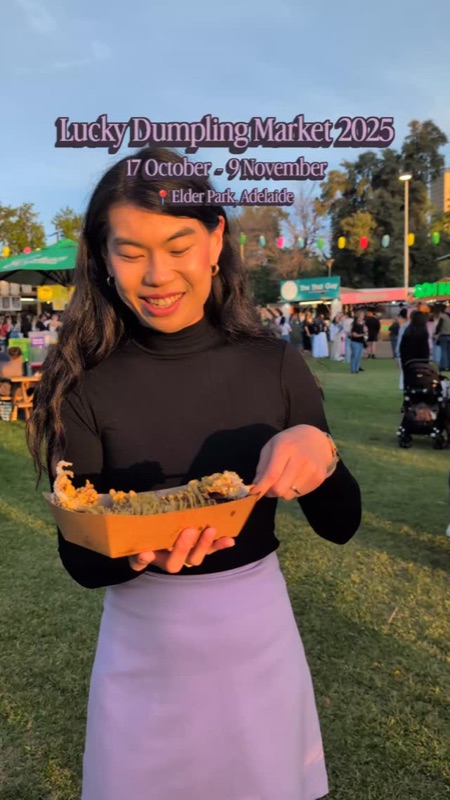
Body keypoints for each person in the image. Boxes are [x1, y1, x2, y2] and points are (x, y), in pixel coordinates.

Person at [26, 147, 361, 800]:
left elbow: (341, 523)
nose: (158, 275)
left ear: (214, 241)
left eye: (178, 246)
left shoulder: (274, 366)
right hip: (142, 649)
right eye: (131, 252)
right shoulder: (84, 387)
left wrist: (321, 452)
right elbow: (81, 560)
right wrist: (135, 551)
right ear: (102, 258)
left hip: (257, 640)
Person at [435, 304, 450, 372]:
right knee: (449, 351)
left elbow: (439, 326)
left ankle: (444, 366)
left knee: (443, 351)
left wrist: (436, 333)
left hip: (444, 335)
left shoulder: (443, 317)